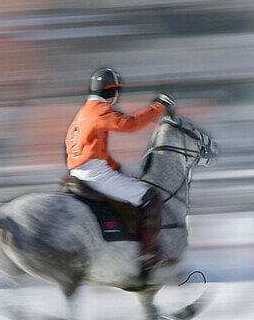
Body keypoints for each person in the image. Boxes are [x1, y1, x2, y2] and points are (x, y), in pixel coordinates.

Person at [65, 67, 175, 269]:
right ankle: (149, 255)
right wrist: (159, 108)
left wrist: (116, 168)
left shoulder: (83, 112)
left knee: (129, 184)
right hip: (95, 175)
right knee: (151, 198)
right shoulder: (100, 110)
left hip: (79, 172)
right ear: (112, 92)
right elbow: (131, 124)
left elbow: (96, 150)